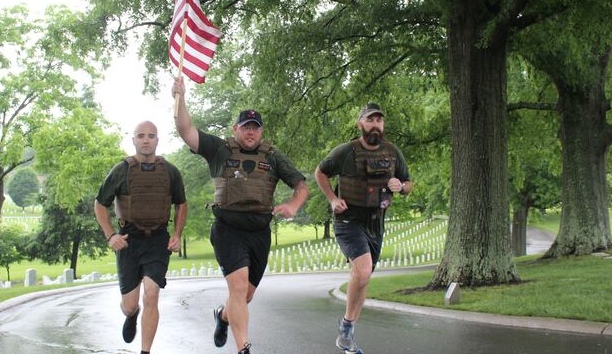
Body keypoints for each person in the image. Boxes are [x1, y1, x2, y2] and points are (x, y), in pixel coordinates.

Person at [172, 76, 309, 354]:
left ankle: (223, 316)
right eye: (245, 127)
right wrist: (180, 97)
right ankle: (243, 348)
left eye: (255, 128)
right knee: (237, 288)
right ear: (235, 129)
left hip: (259, 233)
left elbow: (301, 186)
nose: (250, 132)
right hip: (227, 229)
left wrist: (293, 206)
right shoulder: (219, 150)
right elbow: (186, 130)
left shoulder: (272, 156)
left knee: (245, 295)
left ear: (260, 131)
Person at [315, 103, 412, 354]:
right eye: (371, 120)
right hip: (348, 221)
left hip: (376, 223)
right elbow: (320, 172)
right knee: (364, 269)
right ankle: (346, 328)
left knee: (363, 277)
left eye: (379, 121)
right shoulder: (345, 152)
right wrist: (332, 199)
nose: (375, 125)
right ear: (360, 124)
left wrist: (400, 186)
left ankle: (347, 333)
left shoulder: (393, 152)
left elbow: (409, 183)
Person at [94, 121, 187, 354]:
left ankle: (145, 351)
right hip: (129, 239)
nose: (146, 140)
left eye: (151, 136)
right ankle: (131, 315)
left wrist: (177, 234)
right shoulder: (121, 170)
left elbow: (181, 204)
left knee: (152, 294)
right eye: (141, 136)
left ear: (157, 140)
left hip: (157, 239)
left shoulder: (170, 171)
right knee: (129, 304)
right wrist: (110, 235)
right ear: (133, 140)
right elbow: (99, 204)